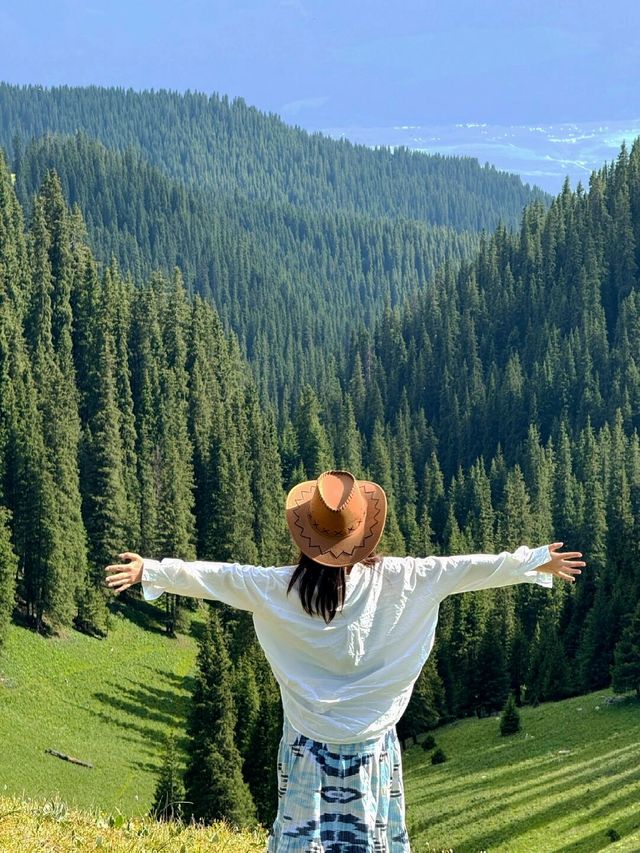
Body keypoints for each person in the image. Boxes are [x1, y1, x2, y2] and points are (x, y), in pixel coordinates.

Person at [105, 469, 585, 852]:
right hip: (372, 744)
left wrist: (153, 570)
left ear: (306, 537)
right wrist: (535, 560)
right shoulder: (403, 578)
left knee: (302, 838)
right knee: (371, 838)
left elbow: (219, 578)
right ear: (364, 535)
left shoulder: (278, 588)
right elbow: (472, 567)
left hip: (307, 742)